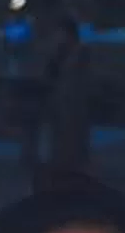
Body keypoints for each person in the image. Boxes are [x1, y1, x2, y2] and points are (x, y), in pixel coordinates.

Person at [35, 14, 91, 182]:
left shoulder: (79, 52)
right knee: (58, 141)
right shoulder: (57, 53)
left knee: (72, 140)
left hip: (72, 104)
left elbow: (77, 79)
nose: (56, 37)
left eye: (59, 33)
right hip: (58, 103)